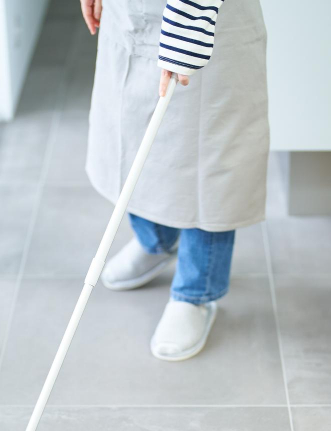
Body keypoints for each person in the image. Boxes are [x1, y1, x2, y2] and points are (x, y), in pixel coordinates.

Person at [80, 0, 269, 361]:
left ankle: (196, 291)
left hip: (205, 20)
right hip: (131, 15)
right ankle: (157, 241)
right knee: (133, 136)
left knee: (208, 160)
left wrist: (186, 36)